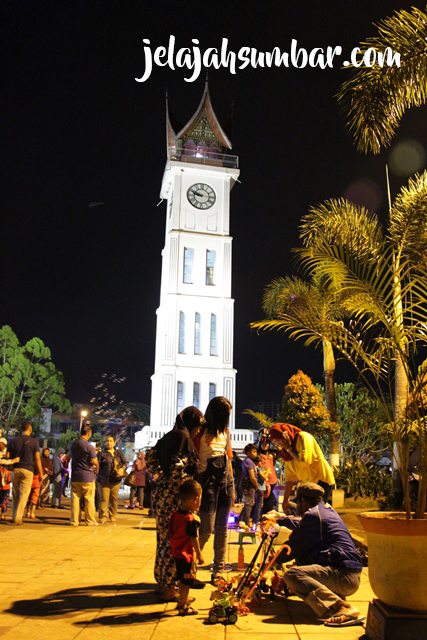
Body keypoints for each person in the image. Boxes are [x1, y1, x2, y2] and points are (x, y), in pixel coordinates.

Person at [269, 483, 363, 627]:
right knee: (302, 559)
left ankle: (341, 607)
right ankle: (333, 595)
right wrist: (278, 520)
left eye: (298, 501)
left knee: (293, 575)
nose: (297, 506)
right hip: (347, 572)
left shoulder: (314, 516)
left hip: (345, 575)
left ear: (303, 501)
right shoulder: (325, 510)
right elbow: (300, 524)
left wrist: (272, 562)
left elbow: (293, 546)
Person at [146, 406, 205, 602]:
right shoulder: (183, 438)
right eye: (197, 426)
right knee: (175, 543)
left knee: (163, 540)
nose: (198, 431)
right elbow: (176, 470)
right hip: (174, 497)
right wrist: (187, 487)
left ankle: (163, 585)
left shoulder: (168, 436)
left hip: (162, 493)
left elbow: (151, 459)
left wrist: (160, 476)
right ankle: (171, 589)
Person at [193, 396, 234, 582]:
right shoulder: (200, 432)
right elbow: (193, 460)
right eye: (226, 415)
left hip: (225, 482)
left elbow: (228, 458)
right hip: (206, 483)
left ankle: (218, 569)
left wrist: (232, 489)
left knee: (222, 527)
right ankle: (190, 564)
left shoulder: (226, 432)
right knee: (206, 528)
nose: (228, 418)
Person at [269, 423, 335, 509]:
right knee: (296, 509)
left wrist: (289, 448)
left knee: (313, 511)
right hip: (307, 483)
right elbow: (290, 478)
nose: (279, 444)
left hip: (320, 480)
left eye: (279, 440)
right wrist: (285, 500)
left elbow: (305, 461)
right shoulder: (287, 454)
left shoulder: (304, 438)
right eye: (275, 442)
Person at [168, 478, 205, 616]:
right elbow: (193, 538)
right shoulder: (191, 519)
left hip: (176, 553)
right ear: (196, 499)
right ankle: (183, 605)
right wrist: (199, 554)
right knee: (187, 581)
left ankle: (182, 601)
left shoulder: (175, 515)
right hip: (187, 555)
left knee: (181, 579)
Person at [9, 422, 44, 525]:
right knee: (24, 494)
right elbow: (37, 458)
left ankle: (14, 515)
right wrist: (41, 472)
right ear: (30, 429)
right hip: (28, 470)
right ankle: (18, 518)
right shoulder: (34, 442)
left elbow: (8, 455)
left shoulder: (14, 441)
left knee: (15, 494)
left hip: (15, 469)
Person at [69, 423, 98, 526]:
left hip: (75, 475)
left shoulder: (73, 444)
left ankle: (74, 521)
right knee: (89, 499)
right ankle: (90, 521)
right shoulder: (89, 446)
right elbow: (94, 461)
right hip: (87, 476)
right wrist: (96, 469)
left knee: (75, 498)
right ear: (89, 434)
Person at [97, 435, 127, 523]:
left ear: (114, 443)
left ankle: (113, 515)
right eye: (107, 441)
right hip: (104, 480)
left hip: (116, 480)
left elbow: (125, 462)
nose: (109, 442)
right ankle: (103, 515)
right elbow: (97, 466)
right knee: (104, 499)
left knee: (114, 499)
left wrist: (123, 468)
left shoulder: (119, 453)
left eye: (110, 441)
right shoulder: (102, 454)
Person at [240, 443, 259, 526]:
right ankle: (246, 522)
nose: (255, 454)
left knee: (249, 503)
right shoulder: (249, 461)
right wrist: (256, 484)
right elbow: (252, 476)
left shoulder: (248, 461)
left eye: (256, 452)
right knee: (249, 504)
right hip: (249, 485)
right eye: (253, 452)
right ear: (248, 452)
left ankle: (242, 520)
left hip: (247, 484)